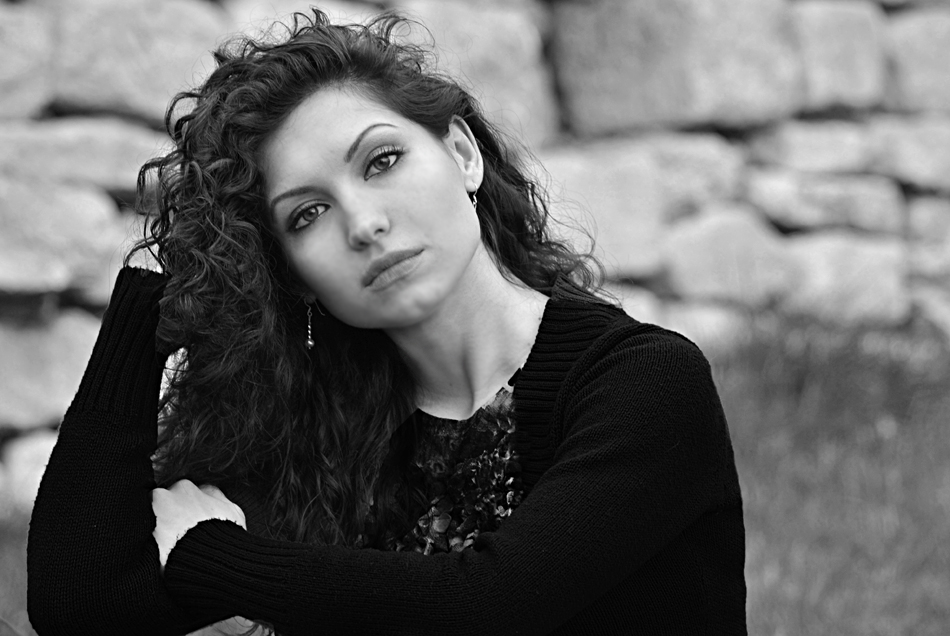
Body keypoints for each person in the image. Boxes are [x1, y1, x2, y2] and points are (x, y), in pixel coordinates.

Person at [27, 8, 747, 636]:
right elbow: (82, 607)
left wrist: (213, 556)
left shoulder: (643, 382)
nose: (364, 223)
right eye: (308, 214)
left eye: (382, 161)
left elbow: (487, 608)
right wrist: (157, 294)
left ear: (462, 155)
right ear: (293, 275)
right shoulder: (326, 427)